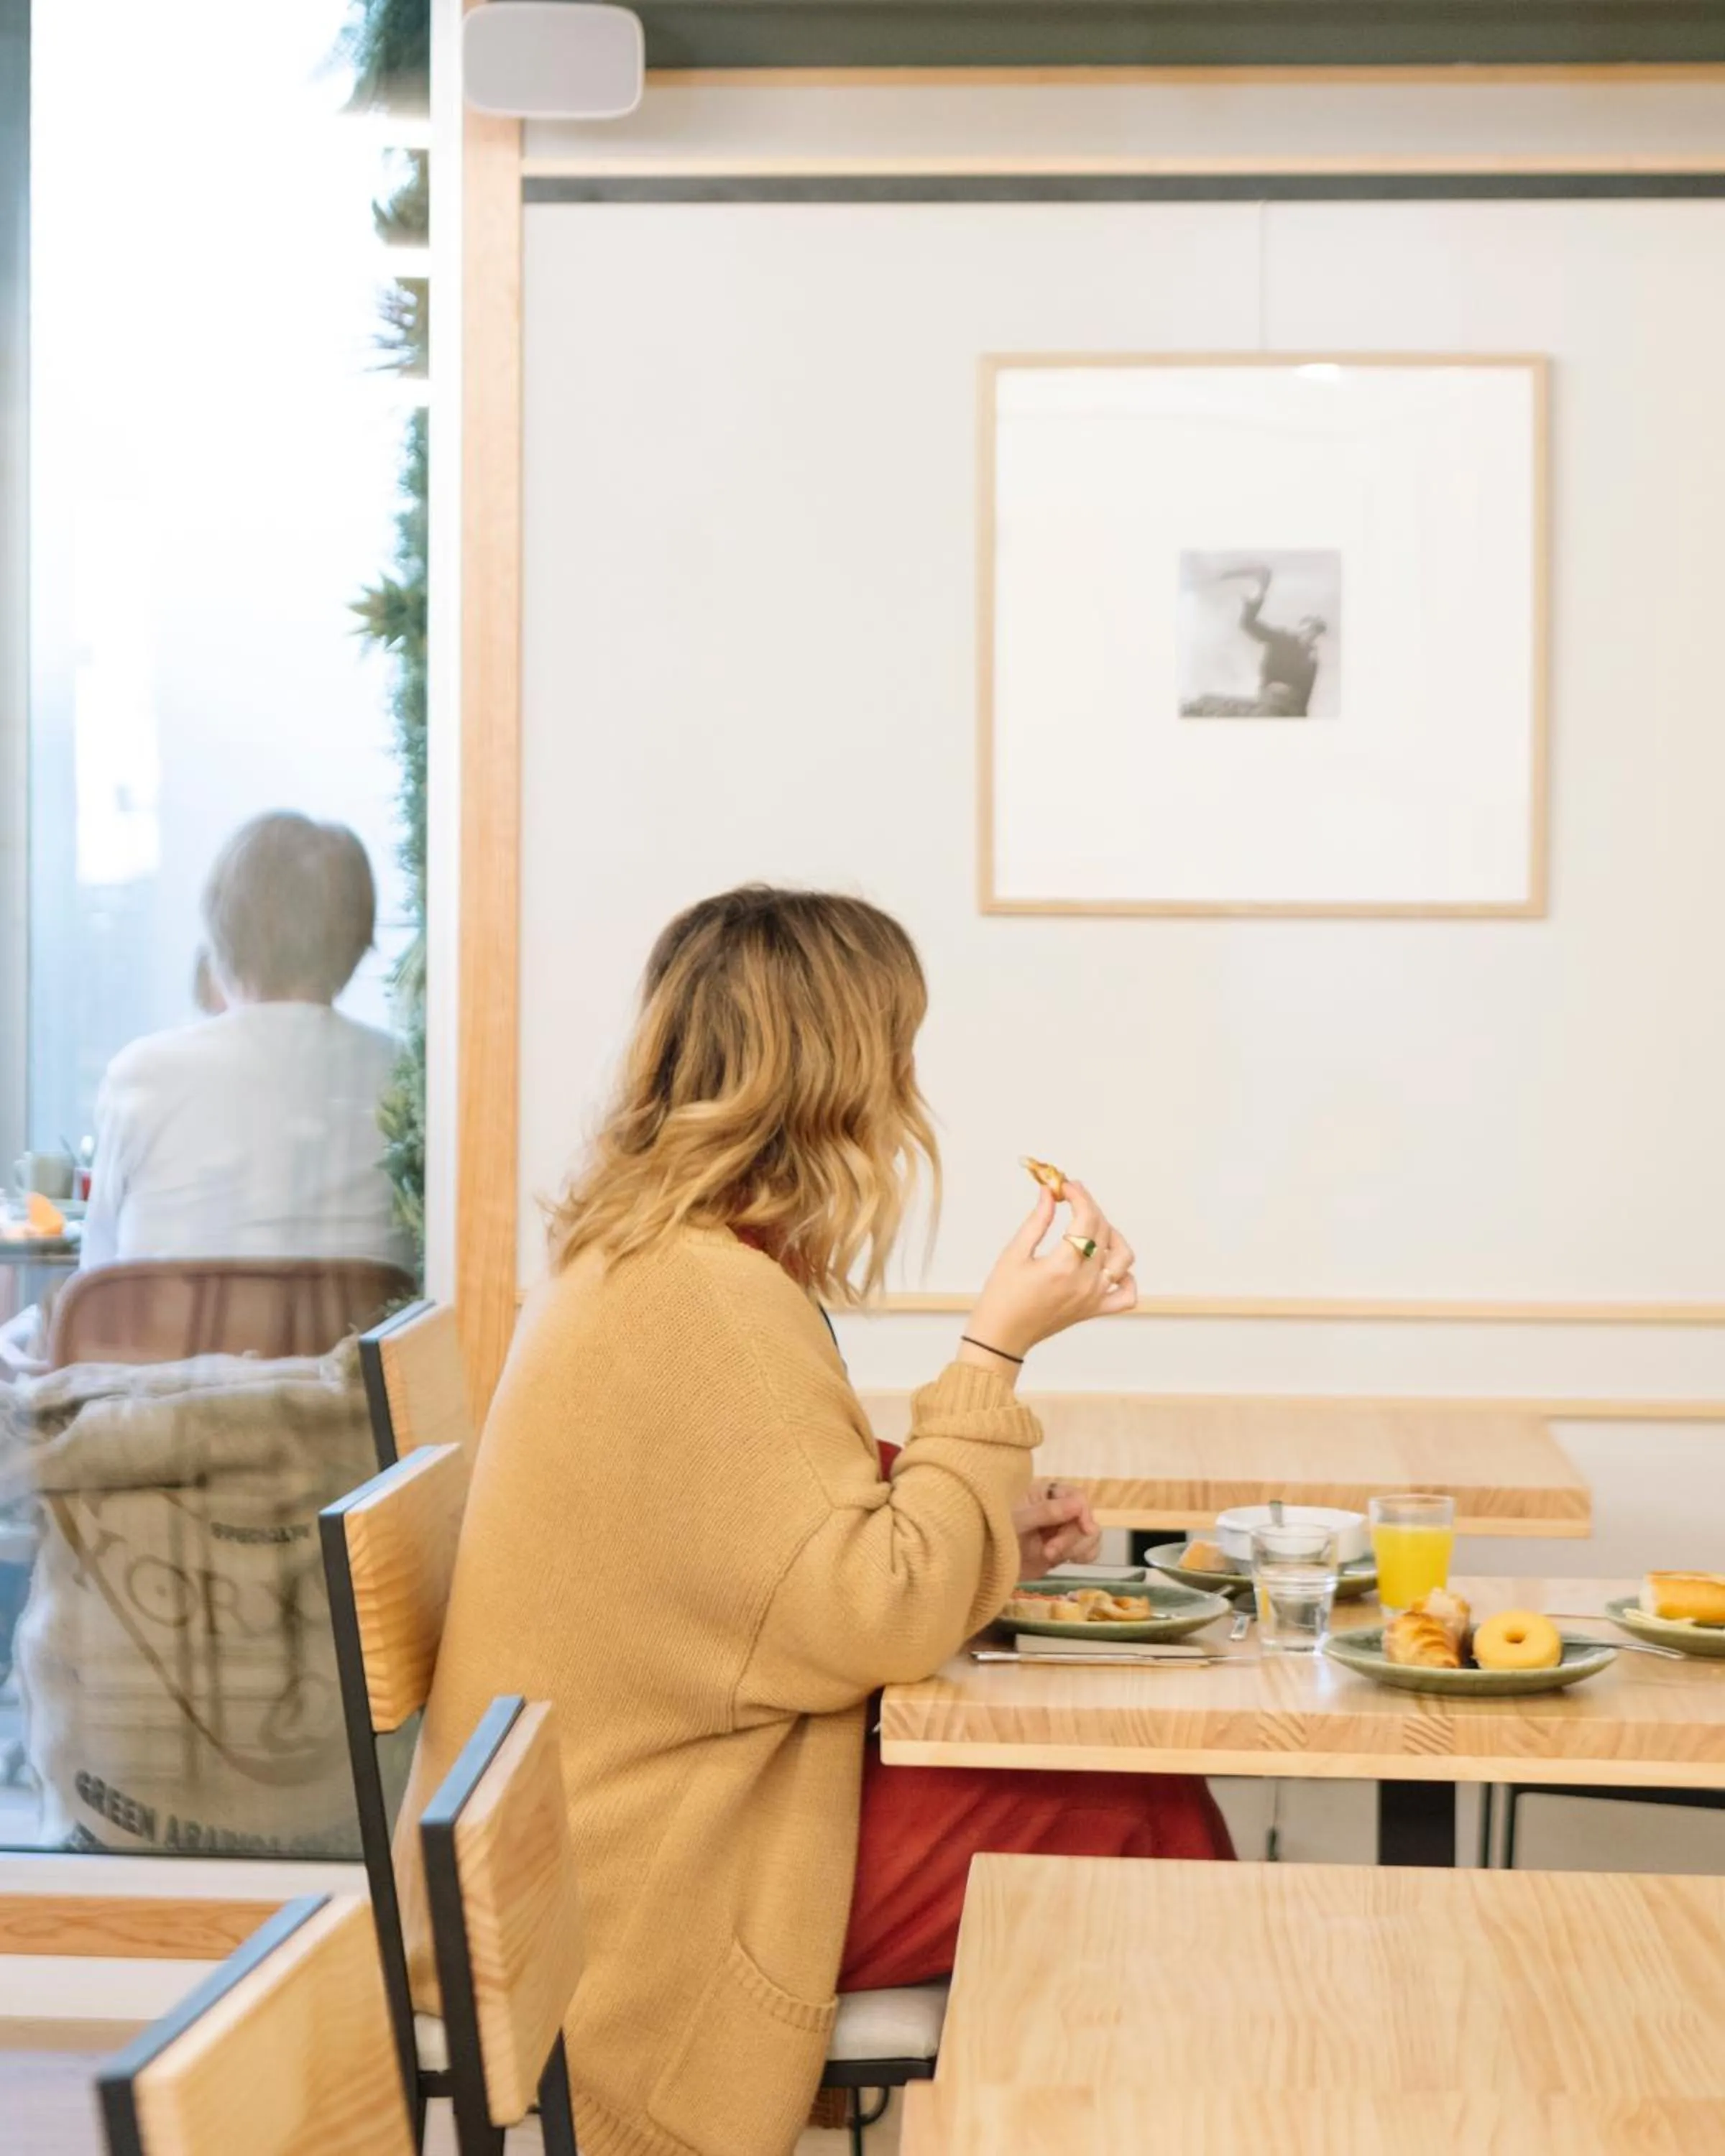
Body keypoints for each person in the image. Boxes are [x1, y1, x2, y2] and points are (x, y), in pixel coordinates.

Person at [391, 885, 1229, 2156]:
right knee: (1139, 1823)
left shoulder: (651, 1257)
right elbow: (878, 1607)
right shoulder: (704, 1298)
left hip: (592, 1836)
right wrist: (994, 1348)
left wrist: (984, 1524)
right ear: (835, 1081)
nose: (909, 1092)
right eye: (896, 1052)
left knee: (1121, 1805)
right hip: (638, 1894)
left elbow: (764, 1535)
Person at [78, 812, 410, 1274]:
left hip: (166, 1348)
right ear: (357, 945)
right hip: (349, 1348)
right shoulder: (402, 1076)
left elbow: (98, 1272)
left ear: (221, 934)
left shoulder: (141, 1073)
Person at [1238, 564, 1326, 717]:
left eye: (1316, 632)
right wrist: (1260, 592)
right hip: (1271, 700)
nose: (1312, 634)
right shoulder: (1281, 639)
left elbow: (1306, 695)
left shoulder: (1311, 658)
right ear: (1300, 627)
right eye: (1310, 628)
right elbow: (1248, 624)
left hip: (1293, 709)